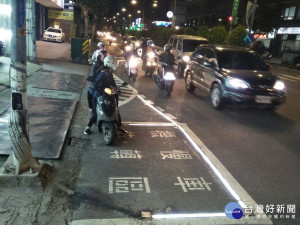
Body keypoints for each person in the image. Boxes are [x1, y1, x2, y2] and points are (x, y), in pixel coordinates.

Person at [84, 55, 125, 135]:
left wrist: (117, 89)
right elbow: (95, 83)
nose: (115, 64)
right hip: (98, 94)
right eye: (114, 62)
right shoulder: (103, 73)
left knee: (115, 108)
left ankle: (119, 126)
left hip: (107, 93)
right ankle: (88, 127)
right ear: (109, 63)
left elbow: (113, 83)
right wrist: (100, 89)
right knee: (97, 112)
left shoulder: (110, 73)